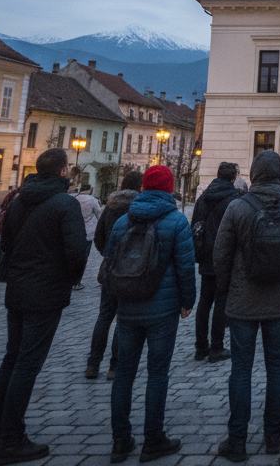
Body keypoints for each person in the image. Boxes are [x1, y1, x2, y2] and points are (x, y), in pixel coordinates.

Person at [0, 148, 88, 464]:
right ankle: (12, 440)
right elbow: (77, 252)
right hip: (45, 291)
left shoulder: (19, 202)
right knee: (28, 363)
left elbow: (6, 245)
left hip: (16, 288)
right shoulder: (65, 204)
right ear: (61, 173)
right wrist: (68, 279)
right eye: (67, 167)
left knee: (12, 358)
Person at [213, 150, 280, 459]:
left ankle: (237, 441)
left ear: (254, 173)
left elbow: (221, 256)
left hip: (242, 300)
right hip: (279, 300)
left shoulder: (237, 207)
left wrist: (228, 290)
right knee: (277, 367)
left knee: (241, 370)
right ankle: (273, 437)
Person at [103, 166, 195, 463]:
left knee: (124, 374)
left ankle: (120, 440)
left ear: (143, 187)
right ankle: (153, 439)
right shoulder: (177, 220)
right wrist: (187, 300)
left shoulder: (121, 221)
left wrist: (115, 305)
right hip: (162, 310)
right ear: (169, 189)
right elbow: (185, 266)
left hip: (127, 308)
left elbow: (109, 267)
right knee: (157, 373)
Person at [86, 169, 144, 380]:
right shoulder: (140, 207)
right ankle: (115, 366)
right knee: (123, 318)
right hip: (131, 269)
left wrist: (108, 254)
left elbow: (99, 237)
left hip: (110, 267)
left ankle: (92, 364)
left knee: (104, 316)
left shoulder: (110, 207)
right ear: (140, 186)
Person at [191, 161, 240, 363]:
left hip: (205, 255)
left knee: (204, 302)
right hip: (224, 256)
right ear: (233, 178)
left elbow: (195, 224)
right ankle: (216, 347)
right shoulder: (234, 199)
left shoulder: (203, 197)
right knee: (221, 302)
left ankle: (201, 347)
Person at [73, 184, 102, 290]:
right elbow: (99, 215)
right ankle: (77, 281)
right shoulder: (93, 200)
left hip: (74, 231)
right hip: (88, 232)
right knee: (83, 258)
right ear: (90, 190)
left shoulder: (74, 198)